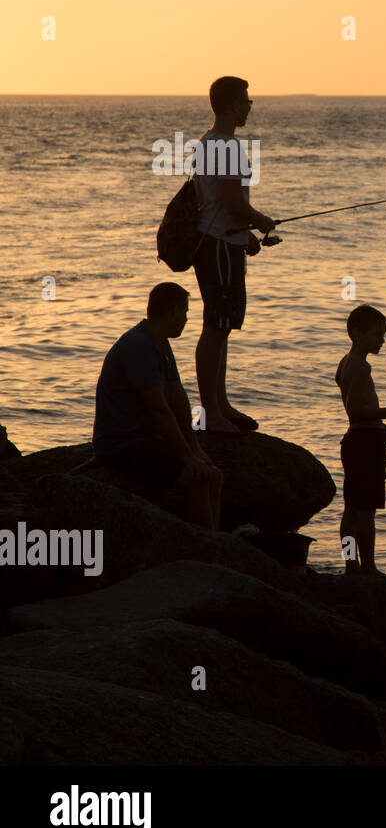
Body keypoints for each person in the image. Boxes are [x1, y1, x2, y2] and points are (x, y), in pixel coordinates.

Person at [92, 283, 223, 528]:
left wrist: (195, 450)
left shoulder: (160, 342)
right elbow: (159, 409)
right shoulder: (138, 345)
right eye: (184, 312)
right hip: (123, 444)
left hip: (147, 439)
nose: (186, 318)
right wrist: (186, 458)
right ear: (173, 312)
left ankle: (219, 542)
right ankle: (206, 547)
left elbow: (177, 396)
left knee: (214, 476)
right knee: (196, 479)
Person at [193, 75, 277, 435]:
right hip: (219, 247)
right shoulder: (224, 146)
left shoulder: (208, 142)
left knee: (221, 327)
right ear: (230, 105)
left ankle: (220, 405)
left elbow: (216, 204)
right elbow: (231, 203)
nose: (249, 106)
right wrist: (262, 221)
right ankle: (211, 412)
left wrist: (246, 238)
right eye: (245, 100)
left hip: (220, 242)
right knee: (215, 327)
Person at [335, 304, 386, 575]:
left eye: (383, 334)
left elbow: (360, 414)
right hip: (364, 445)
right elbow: (355, 410)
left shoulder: (346, 362)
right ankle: (368, 567)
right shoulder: (359, 367)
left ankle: (352, 564)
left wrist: (384, 430)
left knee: (352, 509)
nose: (382, 340)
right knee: (365, 512)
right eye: (377, 334)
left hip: (360, 439)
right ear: (356, 334)